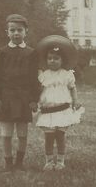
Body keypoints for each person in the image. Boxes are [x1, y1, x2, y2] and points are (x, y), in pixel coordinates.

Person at [0, 14, 39, 172]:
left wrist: (34, 99)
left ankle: (19, 163)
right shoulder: (2, 52)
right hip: (6, 98)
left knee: (23, 133)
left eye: (20, 30)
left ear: (26, 32)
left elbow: (34, 78)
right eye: (12, 30)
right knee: (6, 132)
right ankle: (8, 163)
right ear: (7, 32)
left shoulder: (31, 53)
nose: (16, 33)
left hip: (24, 99)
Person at [35, 35, 84, 171]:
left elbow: (73, 88)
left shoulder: (67, 74)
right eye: (50, 58)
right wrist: (34, 102)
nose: (53, 61)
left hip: (62, 110)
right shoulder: (43, 75)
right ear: (46, 60)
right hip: (48, 110)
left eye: (56, 58)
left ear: (62, 60)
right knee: (49, 137)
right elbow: (38, 91)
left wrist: (75, 100)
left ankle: (61, 161)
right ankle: (49, 161)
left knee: (60, 136)